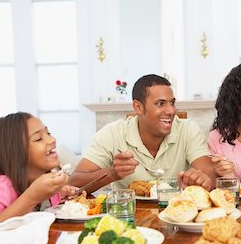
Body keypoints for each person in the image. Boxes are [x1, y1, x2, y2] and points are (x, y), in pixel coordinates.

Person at [70, 74, 216, 192]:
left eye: (172, 103)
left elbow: (210, 175)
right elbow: (74, 183)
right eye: (160, 103)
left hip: (177, 213)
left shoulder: (188, 129)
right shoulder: (112, 134)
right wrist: (112, 173)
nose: (171, 110)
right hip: (128, 220)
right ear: (138, 107)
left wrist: (200, 179)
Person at [0, 112, 80, 224]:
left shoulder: (45, 184)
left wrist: (61, 192)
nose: (52, 140)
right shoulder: (1, 186)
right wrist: (32, 197)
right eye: (38, 139)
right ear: (14, 153)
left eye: (48, 133)